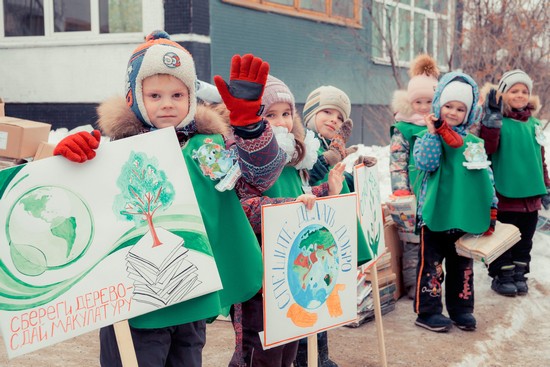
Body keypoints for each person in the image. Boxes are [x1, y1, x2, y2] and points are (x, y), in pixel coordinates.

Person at [53, 30, 286, 367]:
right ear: (135, 97)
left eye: (178, 94)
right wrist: (68, 165)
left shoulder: (209, 149)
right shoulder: (115, 151)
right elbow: (78, 208)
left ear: (191, 98)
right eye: (155, 94)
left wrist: (249, 128)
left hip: (190, 294)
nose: (167, 103)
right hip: (135, 309)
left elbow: (259, 177)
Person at [229, 75, 346, 367]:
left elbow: (299, 196)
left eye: (285, 114)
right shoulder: (244, 160)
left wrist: (325, 191)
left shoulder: (294, 159)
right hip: (259, 279)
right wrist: (289, 207)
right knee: (258, 352)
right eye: (270, 115)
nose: (281, 123)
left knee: (288, 351)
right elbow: (242, 209)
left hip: (291, 275)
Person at [412, 71, 498, 332]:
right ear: (439, 105)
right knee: (432, 267)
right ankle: (427, 312)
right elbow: (425, 163)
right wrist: (432, 133)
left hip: (464, 216)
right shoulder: (431, 137)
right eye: (448, 106)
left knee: (463, 267)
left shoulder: (473, 143)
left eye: (460, 108)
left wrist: (491, 204)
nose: (452, 112)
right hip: (436, 215)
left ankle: (461, 309)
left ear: (469, 113)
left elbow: (485, 176)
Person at [478, 69, 550, 296]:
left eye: (524, 91)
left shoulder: (534, 124)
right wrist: (491, 123)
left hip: (531, 195)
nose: (520, 95)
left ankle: (519, 273)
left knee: (525, 239)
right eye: (514, 91)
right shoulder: (497, 123)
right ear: (503, 94)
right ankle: (502, 275)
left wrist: (546, 186)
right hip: (506, 193)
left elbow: (540, 159)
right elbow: (487, 148)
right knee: (503, 237)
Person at [389, 53, 439, 299]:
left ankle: (433, 280)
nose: (422, 107)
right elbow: (397, 160)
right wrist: (400, 188)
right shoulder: (404, 127)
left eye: (428, 102)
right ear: (410, 102)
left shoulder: (440, 126)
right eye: (417, 102)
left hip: (436, 192)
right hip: (412, 191)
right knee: (412, 240)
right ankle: (412, 282)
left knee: (434, 238)